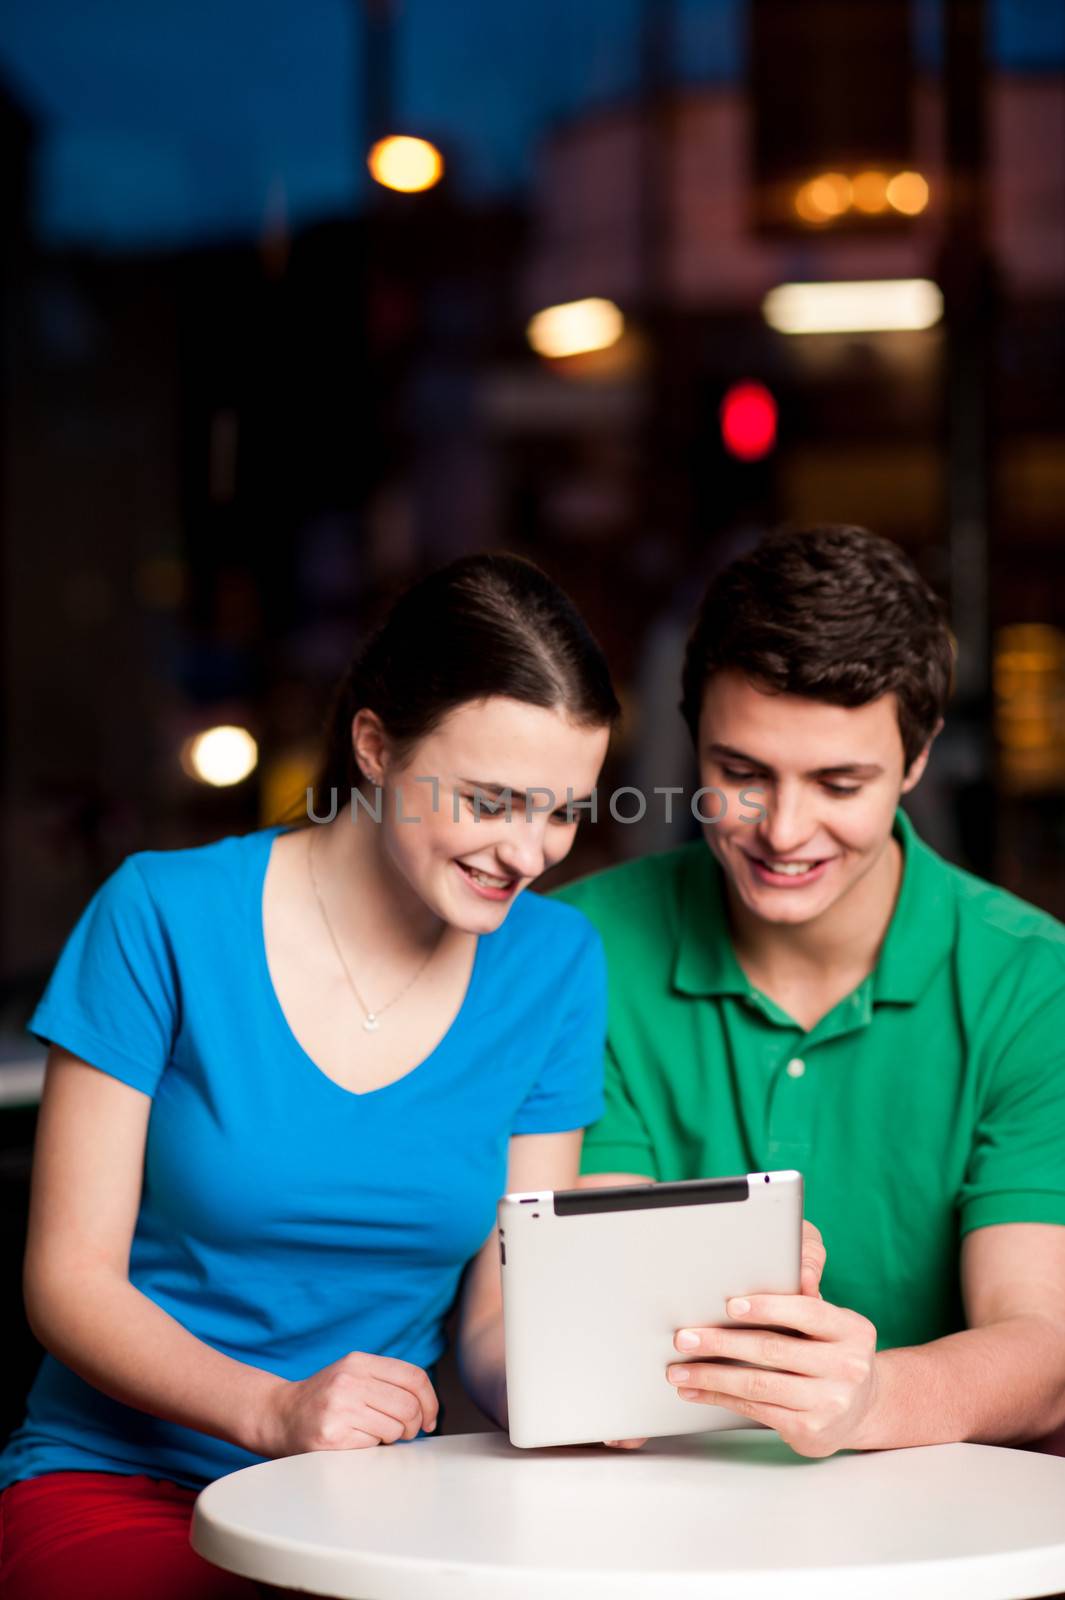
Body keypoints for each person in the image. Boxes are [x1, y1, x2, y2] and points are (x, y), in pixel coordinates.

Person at [0, 553, 618, 1600]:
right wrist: (272, 1412)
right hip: (126, 1479)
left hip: (371, 1506)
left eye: (561, 812)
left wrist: (590, 1397)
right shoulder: (162, 916)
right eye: (491, 799)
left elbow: (499, 1312)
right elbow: (67, 1281)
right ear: (375, 747)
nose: (528, 851)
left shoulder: (554, 963)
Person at [556, 525, 1065, 1459]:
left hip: (947, 1542)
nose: (783, 831)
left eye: (839, 782)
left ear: (915, 762)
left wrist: (869, 1401)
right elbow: (589, 1292)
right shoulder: (580, 950)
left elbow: (1041, 1346)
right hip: (648, 1516)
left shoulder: (1034, 983)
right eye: (741, 774)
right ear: (690, 740)